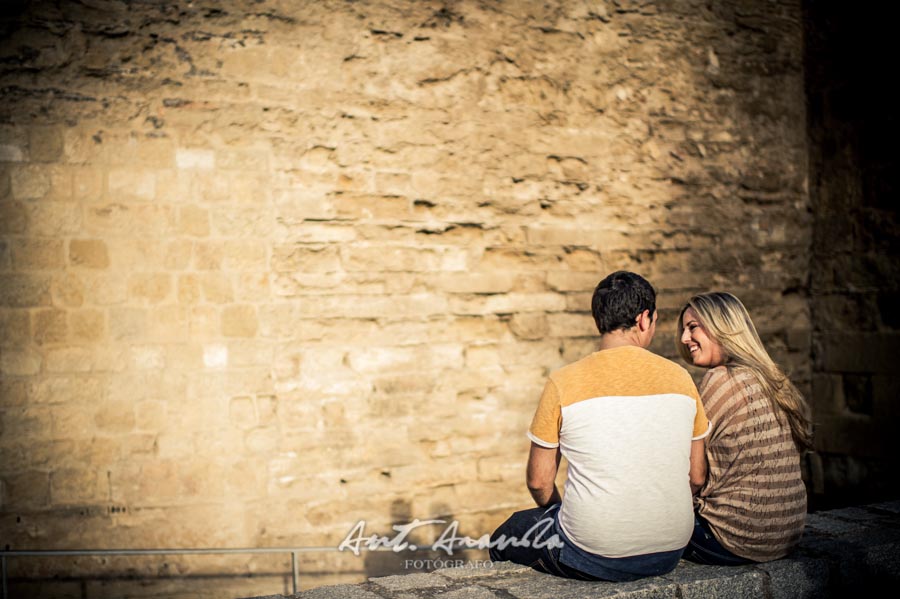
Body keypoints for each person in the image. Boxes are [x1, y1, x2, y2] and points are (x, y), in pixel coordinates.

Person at [489, 271, 710, 581]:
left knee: (508, 533)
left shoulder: (563, 382)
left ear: (598, 320)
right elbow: (697, 476)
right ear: (644, 319)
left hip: (592, 552)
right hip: (671, 549)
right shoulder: (682, 380)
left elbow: (539, 482)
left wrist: (562, 516)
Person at [677, 291, 812, 565]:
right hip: (786, 535)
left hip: (736, 539)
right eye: (683, 329)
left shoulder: (720, 380)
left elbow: (691, 472)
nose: (683, 338)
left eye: (693, 327)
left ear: (721, 327)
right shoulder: (768, 378)